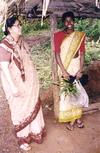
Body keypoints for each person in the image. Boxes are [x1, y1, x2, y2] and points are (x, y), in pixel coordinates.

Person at [0, 16, 46, 151]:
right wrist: (13, 87)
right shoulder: (4, 45)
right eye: (17, 26)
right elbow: (3, 67)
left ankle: (35, 132)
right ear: (9, 29)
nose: (20, 27)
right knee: (20, 110)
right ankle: (22, 139)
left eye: (20, 25)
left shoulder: (22, 42)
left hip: (29, 85)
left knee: (32, 106)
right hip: (17, 86)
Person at [54, 11, 89, 131]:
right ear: (63, 22)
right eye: (66, 21)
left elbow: (82, 53)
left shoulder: (79, 36)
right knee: (68, 94)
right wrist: (63, 71)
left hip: (75, 66)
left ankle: (77, 118)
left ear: (74, 21)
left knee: (77, 92)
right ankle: (72, 118)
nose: (69, 23)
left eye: (71, 20)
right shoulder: (58, 35)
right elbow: (57, 55)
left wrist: (80, 70)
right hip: (65, 67)